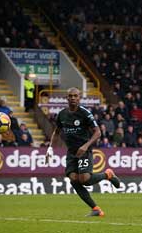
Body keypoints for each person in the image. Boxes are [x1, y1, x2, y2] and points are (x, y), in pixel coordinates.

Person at [45, 87, 121, 217]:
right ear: (67, 98)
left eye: (75, 96)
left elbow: (98, 132)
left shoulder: (85, 113)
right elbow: (57, 132)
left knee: (84, 179)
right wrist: (50, 148)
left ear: (79, 98)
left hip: (84, 150)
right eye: (71, 96)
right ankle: (96, 209)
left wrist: (85, 146)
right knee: (74, 179)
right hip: (71, 151)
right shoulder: (62, 114)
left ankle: (107, 175)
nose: (73, 98)